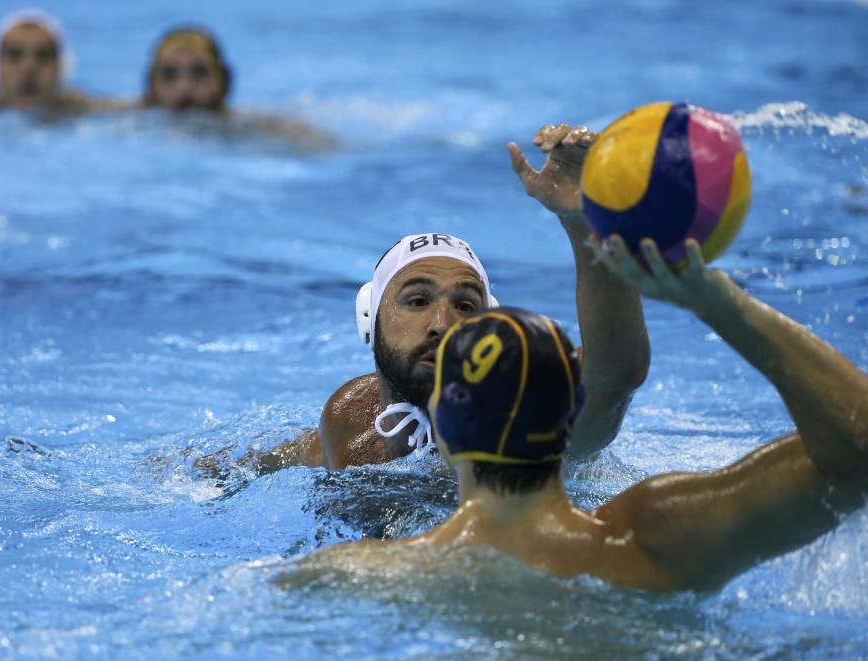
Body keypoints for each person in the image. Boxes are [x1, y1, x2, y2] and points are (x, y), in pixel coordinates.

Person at [297, 238, 868, 592]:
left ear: (441, 428)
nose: (441, 324)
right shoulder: (658, 536)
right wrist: (719, 300)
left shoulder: (359, 574)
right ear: (574, 407)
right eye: (418, 300)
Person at [254, 124, 651, 471]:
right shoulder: (350, 418)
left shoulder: (525, 424)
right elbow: (266, 461)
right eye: (416, 301)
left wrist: (582, 220)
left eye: (465, 306)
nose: (442, 325)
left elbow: (615, 373)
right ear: (368, 318)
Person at [141, 26, 335, 148]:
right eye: (169, 74)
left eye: (200, 73)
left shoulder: (242, 124)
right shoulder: (135, 115)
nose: (184, 87)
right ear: (151, 84)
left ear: (223, 81)